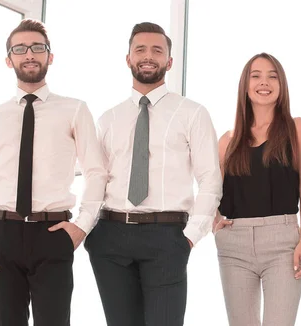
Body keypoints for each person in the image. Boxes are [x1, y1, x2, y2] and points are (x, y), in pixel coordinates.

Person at [0, 19, 107, 326]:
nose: (29, 54)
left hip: (53, 233)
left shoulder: (74, 110)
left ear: (49, 56)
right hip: (2, 234)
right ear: (9, 59)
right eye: (20, 49)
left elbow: (97, 172)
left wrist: (81, 226)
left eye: (37, 47)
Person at [84, 22, 222, 326]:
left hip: (167, 237)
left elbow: (210, 179)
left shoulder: (192, 113)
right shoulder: (108, 119)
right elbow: (95, 179)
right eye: (141, 49)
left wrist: (189, 238)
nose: (149, 56)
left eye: (157, 50)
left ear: (169, 61)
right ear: (128, 58)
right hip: (111, 236)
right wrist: (88, 229)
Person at [213, 52, 301, 326]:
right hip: (234, 244)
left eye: (272, 76)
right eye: (256, 76)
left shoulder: (298, 129)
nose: (264, 82)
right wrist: (213, 218)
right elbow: (211, 190)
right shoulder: (228, 140)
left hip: (283, 241)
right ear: (245, 86)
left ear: (281, 85)